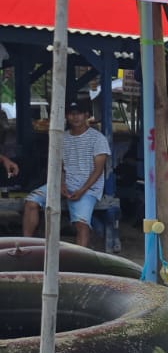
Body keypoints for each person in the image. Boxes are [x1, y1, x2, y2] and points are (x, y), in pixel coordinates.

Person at [22, 99, 110, 248]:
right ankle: (26, 247)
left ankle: (79, 259)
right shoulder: (62, 137)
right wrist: (61, 184)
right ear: (66, 116)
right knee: (31, 202)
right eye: (71, 114)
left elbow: (98, 170)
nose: (75, 117)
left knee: (81, 224)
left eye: (79, 113)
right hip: (64, 184)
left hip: (88, 188)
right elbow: (60, 167)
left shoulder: (98, 139)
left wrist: (82, 190)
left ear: (86, 115)